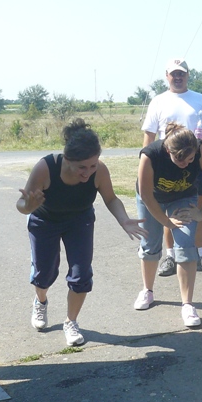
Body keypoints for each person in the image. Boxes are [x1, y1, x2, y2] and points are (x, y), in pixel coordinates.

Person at [16, 118, 146, 346]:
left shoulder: (99, 171)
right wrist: (28, 206)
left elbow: (111, 199)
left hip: (79, 220)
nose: (88, 173)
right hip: (44, 221)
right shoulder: (46, 168)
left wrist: (124, 220)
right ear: (67, 160)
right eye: (82, 168)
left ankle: (71, 321)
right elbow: (21, 204)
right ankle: (41, 301)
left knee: (81, 274)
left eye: (92, 166)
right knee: (44, 273)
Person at [135, 122, 202, 327]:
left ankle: (187, 304)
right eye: (179, 159)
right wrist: (166, 222)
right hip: (152, 199)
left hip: (183, 197)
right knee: (150, 244)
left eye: (189, 160)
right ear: (168, 151)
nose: (185, 164)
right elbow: (146, 195)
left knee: (185, 244)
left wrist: (201, 213)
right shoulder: (150, 155)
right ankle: (147, 291)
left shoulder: (200, 149)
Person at [142, 59, 202, 276]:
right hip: (166, 165)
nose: (178, 77)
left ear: (188, 75)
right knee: (170, 210)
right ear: (167, 76)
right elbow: (149, 136)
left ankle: (200, 254)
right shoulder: (158, 101)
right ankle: (171, 256)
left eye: (182, 73)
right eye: (174, 74)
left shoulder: (199, 99)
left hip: (195, 165)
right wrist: (147, 164)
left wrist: (201, 151)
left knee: (197, 209)